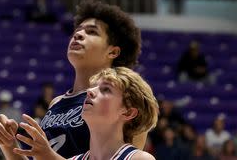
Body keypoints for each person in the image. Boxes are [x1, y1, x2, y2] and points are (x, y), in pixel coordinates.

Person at [0, 0, 145, 159]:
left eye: (92, 32)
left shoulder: (123, 103)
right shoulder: (56, 102)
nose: (78, 34)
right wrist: (8, 144)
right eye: (77, 30)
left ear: (113, 52)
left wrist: (49, 156)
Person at [15, 67, 158, 160]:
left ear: (128, 113)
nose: (90, 92)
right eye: (94, 87)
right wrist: (9, 144)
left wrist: (49, 156)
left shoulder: (139, 158)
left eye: (106, 89)